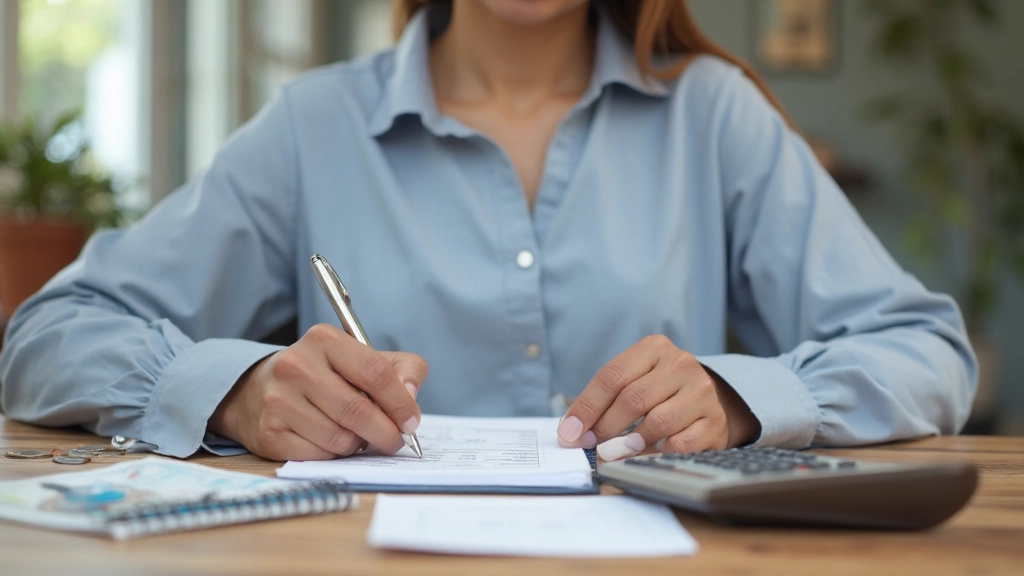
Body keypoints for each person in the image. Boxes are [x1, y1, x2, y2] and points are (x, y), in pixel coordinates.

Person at [0, 0, 976, 463]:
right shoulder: (314, 128)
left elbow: (923, 351)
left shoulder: (712, 117)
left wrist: (736, 396)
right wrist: (237, 395)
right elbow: (52, 333)